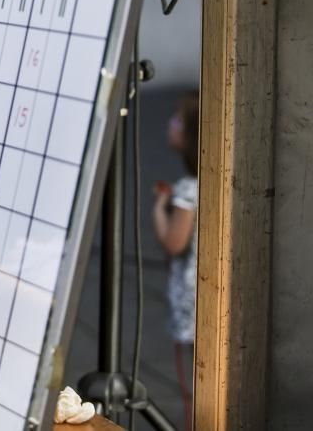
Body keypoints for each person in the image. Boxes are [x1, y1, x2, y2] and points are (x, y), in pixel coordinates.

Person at [152, 90, 199, 431]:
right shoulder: (208, 183)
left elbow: (174, 243)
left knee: (199, 382)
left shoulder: (187, 191)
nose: (171, 124)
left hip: (194, 300)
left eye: (178, 120)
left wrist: (158, 211)